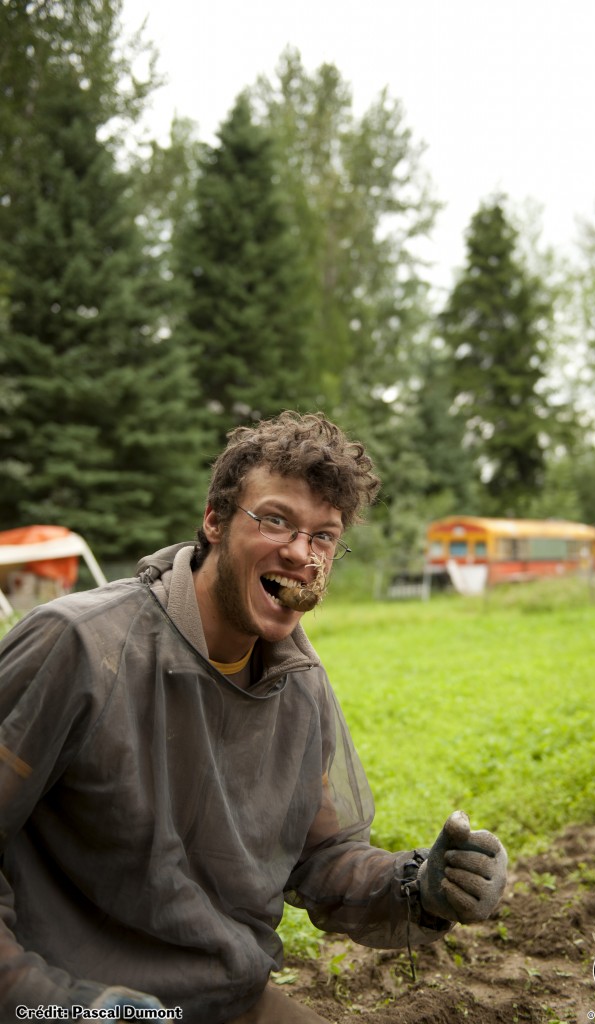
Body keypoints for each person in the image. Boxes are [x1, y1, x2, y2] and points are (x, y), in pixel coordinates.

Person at [0, 411, 507, 1023]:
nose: (301, 553)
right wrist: (58, 1004)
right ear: (214, 521)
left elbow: (322, 859)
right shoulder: (80, 647)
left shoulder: (298, 685)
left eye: (323, 536)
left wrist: (419, 885)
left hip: (226, 1001)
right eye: (276, 520)